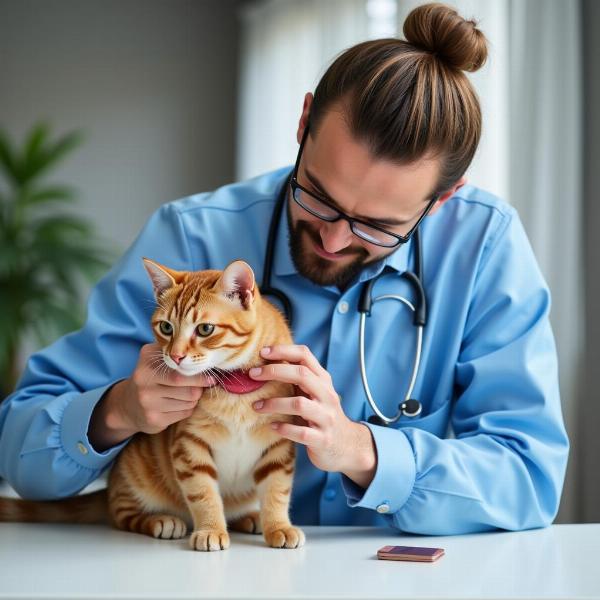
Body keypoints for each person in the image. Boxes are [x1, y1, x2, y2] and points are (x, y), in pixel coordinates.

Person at [0, 3, 568, 535]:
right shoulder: (191, 235)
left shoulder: (486, 247)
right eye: (316, 195)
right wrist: (117, 410)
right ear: (302, 125)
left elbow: (529, 481)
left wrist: (362, 451)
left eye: (377, 227)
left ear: (441, 200)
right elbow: (18, 445)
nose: (332, 238)